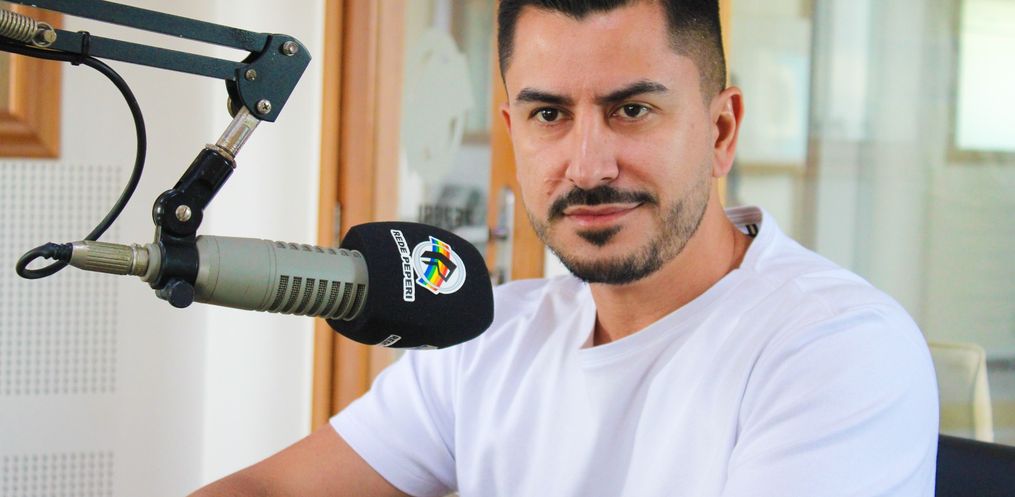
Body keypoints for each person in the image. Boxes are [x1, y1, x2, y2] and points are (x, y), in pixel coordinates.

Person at [190, 0, 939, 495]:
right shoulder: (490, 332)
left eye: (632, 110)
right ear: (512, 133)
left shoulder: (836, 348)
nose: (587, 166)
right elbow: (271, 489)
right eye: (549, 114)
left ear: (720, 131)